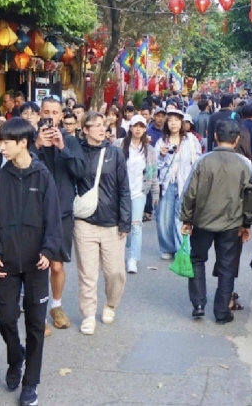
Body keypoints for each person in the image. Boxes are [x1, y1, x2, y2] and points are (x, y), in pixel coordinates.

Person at [0, 118, 63, 406]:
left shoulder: (42, 176)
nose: (1, 146)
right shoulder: (0, 178)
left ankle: (30, 382)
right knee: (5, 318)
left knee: (34, 324)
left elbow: (53, 219)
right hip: (6, 262)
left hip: (36, 263)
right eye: (0, 141)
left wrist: (48, 250)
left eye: (6, 141)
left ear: (23, 143)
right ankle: (15, 356)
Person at [180, 119, 252, 324]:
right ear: (237, 139)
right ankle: (222, 311)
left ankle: (198, 304)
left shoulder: (203, 161)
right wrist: (247, 223)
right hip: (232, 223)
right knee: (227, 265)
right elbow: (250, 196)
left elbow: (190, 192)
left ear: (215, 136)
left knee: (197, 259)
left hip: (202, 220)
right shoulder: (245, 164)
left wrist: (186, 218)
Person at [75, 111, 131, 335]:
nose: (101, 128)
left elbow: (124, 188)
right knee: (87, 273)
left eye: (103, 125)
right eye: (95, 125)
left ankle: (110, 304)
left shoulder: (115, 153)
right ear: (85, 129)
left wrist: (124, 221)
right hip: (84, 222)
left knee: (115, 272)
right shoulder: (77, 152)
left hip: (111, 223)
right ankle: (88, 314)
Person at [34, 98, 85, 334]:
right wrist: (37, 145)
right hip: (35, 212)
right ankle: (38, 314)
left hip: (63, 211)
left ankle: (56, 305)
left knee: (56, 266)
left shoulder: (71, 141)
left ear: (61, 117)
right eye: (46, 112)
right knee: (38, 266)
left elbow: (79, 172)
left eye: (55, 113)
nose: (50, 116)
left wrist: (62, 148)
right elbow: (19, 167)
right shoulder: (31, 140)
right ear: (39, 115)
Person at [155, 110, 202, 259]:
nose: (173, 123)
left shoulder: (191, 140)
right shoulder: (162, 141)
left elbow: (197, 161)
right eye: (170, 120)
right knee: (164, 217)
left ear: (182, 123)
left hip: (185, 183)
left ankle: (182, 249)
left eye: (176, 120)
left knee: (181, 217)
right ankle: (167, 248)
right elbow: (154, 166)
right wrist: (161, 155)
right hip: (167, 183)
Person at [116, 115, 159, 274]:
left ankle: (133, 258)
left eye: (141, 126)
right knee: (121, 224)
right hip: (120, 191)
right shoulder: (119, 145)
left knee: (136, 225)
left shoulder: (149, 150)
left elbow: (152, 173)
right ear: (130, 127)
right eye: (135, 126)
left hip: (139, 191)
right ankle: (126, 248)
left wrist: (155, 193)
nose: (138, 129)